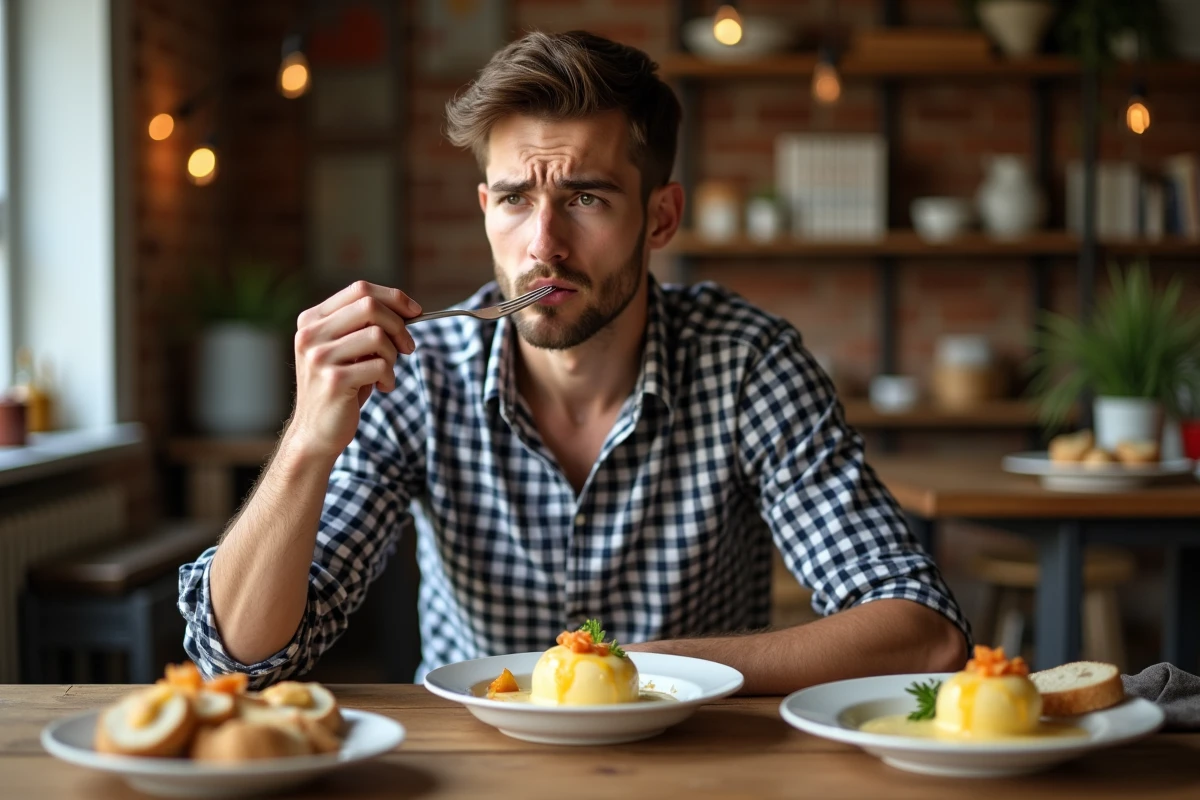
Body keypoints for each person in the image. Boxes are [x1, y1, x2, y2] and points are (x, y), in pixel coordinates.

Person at [179, 30, 970, 694]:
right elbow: (239, 661)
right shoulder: (421, 371)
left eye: (586, 198)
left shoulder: (746, 362)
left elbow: (920, 633)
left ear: (660, 218)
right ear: (487, 208)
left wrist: (630, 671)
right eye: (518, 199)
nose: (544, 247)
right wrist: (307, 444)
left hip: (691, 769)